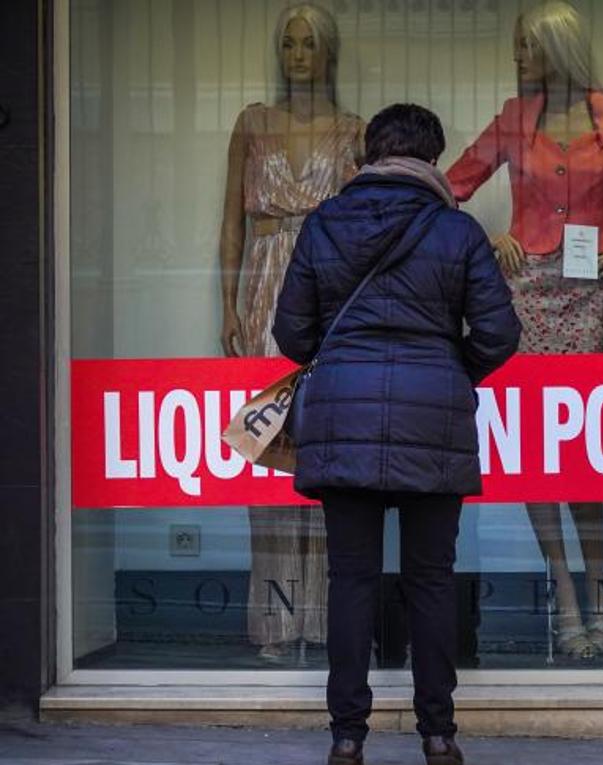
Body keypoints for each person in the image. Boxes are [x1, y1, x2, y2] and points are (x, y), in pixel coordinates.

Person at [272, 104, 521, 765]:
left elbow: (292, 336)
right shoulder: (456, 231)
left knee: (350, 582)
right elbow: (500, 333)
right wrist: (446, 373)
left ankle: (347, 740)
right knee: (431, 583)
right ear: (432, 159)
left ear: (369, 155)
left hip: (342, 424)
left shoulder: (324, 226)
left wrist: (346, 358)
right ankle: (438, 737)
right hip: (431, 425)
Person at [447, 0, 603, 658]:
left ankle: (598, 590)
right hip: (524, 292)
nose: (517, 57)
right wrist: (487, 240)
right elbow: (446, 188)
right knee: (538, 448)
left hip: (588, 294)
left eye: (526, 46)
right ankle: (562, 590)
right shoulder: (512, 119)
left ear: (556, 48)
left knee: (582, 448)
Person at [219, 2, 364, 663]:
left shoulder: (354, 131)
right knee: (268, 441)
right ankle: (276, 619)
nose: (297, 54)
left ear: (329, 52)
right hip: (263, 289)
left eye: (309, 43)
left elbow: (365, 228)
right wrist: (227, 302)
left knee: (326, 445)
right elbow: (230, 224)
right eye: (288, 43)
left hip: (329, 288)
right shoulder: (252, 124)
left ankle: (326, 616)